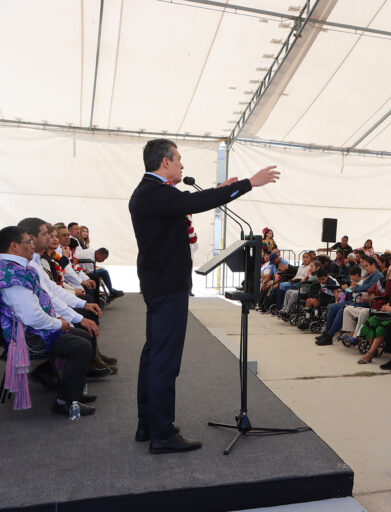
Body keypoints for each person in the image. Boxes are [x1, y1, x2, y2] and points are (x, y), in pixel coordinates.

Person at [129, 138, 279, 454]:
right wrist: (248, 184)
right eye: (179, 159)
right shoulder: (155, 193)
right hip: (168, 287)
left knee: (154, 356)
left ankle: (149, 424)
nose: (182, 165)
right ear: (165, 162)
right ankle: (162, 434)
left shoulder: (150, 192)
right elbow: (193, 203)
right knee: (164, 362)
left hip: (159, 284)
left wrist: (221, 188)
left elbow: (188, 202)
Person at [0, 226, 96, 415]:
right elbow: (31, 316)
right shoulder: (13, 273)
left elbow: (44, 297)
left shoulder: (17, 267)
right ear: (14, 246)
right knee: (81, 346)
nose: (32, 246)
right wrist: (58, 323)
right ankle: (65, 402)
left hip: (32, 327)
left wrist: (58, 318)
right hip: (28, 335)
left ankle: (71, 390)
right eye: (28, 242)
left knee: (83, 336)